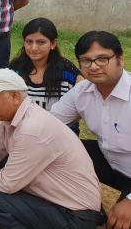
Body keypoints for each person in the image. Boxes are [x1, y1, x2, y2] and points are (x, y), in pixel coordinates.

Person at [0, 69, 104, 229]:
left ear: (14, 97)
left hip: (76, 217)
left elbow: (7, 184)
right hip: (61, 203)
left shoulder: (32, 129)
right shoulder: (7, 123)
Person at [51, 31, 131, 229]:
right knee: (56, 152)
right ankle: (89, 208)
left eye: (102, 59)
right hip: (109, 161)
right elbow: (47, 123)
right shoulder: (82, 91)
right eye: (86, 61)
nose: (93, 66)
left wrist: (130, 201)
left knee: (121, 223)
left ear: (120, 59)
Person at [9, 18, 83, 110]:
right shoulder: (15, 70)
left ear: (53, 44)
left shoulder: (67, 71)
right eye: (29, 42)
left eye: (41, 42)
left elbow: (84, 99)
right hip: (22, 124)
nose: (34, 48)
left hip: (60, 124)